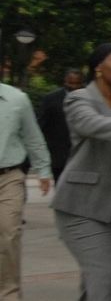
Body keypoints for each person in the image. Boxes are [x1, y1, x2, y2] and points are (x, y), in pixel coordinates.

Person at [51, 44, 111, 300]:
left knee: (100, 281)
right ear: (98, 67)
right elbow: (90, 124)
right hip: (84, 206)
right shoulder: (79, 98)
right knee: (106, 282)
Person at [0, 81, 52, 301]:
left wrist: (43, 170)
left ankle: (8, 294)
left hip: (8, 178)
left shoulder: (17, 99)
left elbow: (33, 137)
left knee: (8, 233)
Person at [37, 68, 85, 182]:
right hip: (59, 156)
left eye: (77, 83)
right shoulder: (51, 99)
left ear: (83, 83)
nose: (73, 87)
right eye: (70, 83)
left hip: (83, 155)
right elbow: (41, 125)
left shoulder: (92, 98)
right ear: (65, 81)